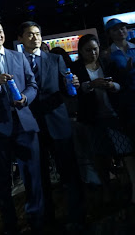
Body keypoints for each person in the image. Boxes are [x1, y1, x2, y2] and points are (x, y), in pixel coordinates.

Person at [0, 18, 43, 234]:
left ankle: (37, 222)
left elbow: (32, 84)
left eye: (1, 31)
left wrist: (25, 97)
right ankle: (10, 225)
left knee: (32, 176)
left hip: (24, 123)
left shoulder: (18, 56)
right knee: (3, 181)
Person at [17, 21, 85, 231]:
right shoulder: (16, 62)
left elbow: (67, 90)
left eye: (37, 33)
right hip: (32, 125)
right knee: (39, 176)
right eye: (29, 34)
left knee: (69, 173)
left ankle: (77, 217)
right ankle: (47, 221)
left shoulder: (55, 59)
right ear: (20, 38)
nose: (35, 37)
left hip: (57, 122)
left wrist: (73, 85)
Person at [71, 34, 135, 205]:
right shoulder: (76, 68)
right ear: (81, 51)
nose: (93, 53)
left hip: (114, 114)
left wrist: (111, 85)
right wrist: (90, 85)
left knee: (126, 150)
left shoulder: (108, 63)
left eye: (95, 49)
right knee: (100, 156)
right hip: (93, 117)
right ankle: (107, 189)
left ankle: (129, 186)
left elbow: (121, 85)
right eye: (88, 50)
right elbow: (75, 91)